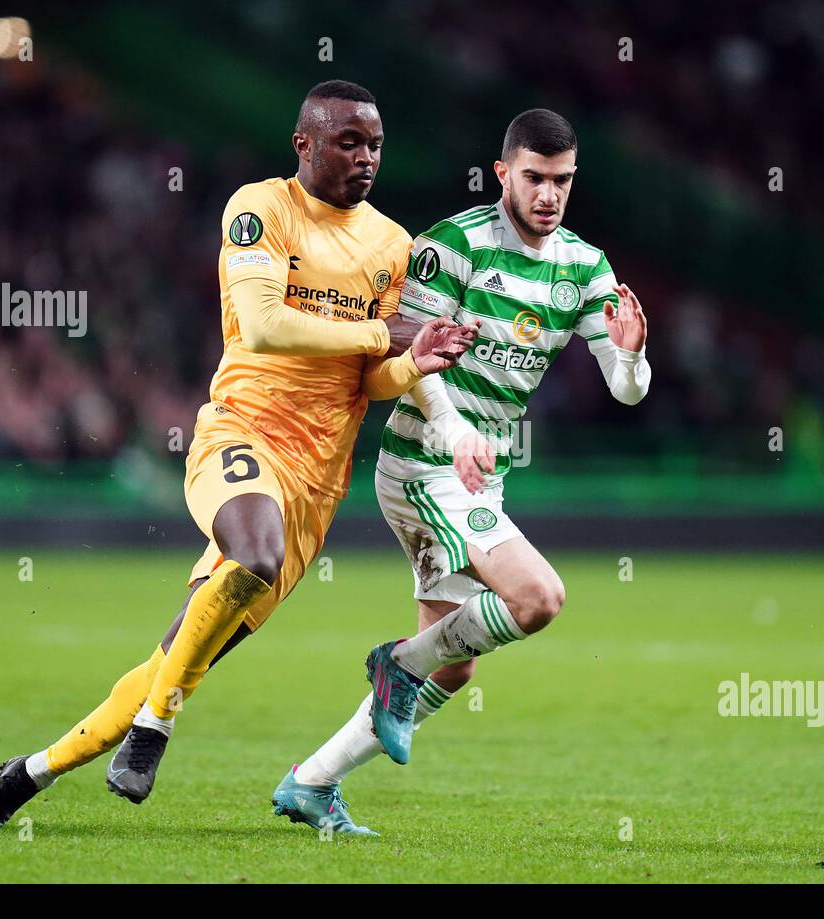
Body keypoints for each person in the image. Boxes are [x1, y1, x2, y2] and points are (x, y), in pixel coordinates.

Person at [0, 80, 477, 828]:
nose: (366, 158)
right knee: (252, 555)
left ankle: (24, 778)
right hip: (242, 434)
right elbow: (263, 326)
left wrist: (415, 362)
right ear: (304, 143)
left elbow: (376, 377)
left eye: (376, 145)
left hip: (317, 483)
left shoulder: (393, 248)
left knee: (175, 658)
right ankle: (156, 729)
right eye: (348, 142)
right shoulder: (260, 208)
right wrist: (378, 336)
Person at [273, 109, 650, 835]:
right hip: (422, 462)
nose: (549, 195)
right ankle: (396, 667)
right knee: (538, 597)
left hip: (481, 475)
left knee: (454, 664)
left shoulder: (584, 266)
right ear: (504, 172)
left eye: (562, 181)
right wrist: (453, 431)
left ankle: (312, 782)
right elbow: (404, 355)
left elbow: (625, 388)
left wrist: (631, 354)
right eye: (535, 178)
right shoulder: (452, 246)